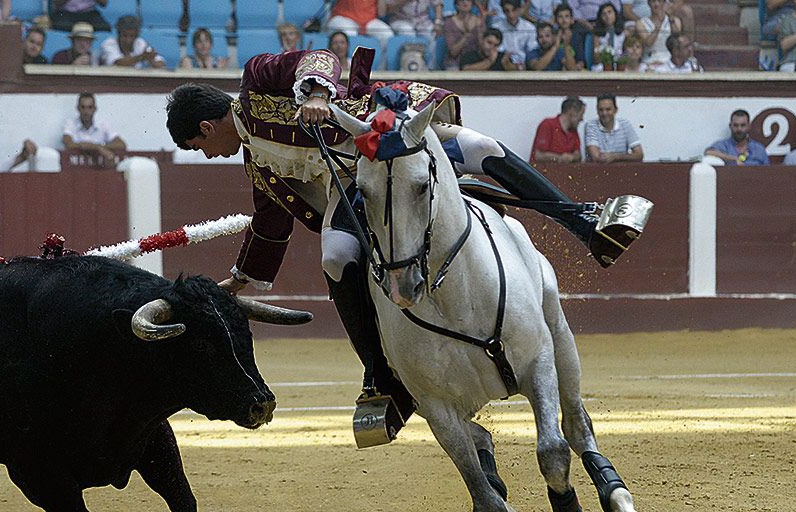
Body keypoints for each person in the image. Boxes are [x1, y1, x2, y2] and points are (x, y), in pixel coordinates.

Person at [165, 49, 647, 441]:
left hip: (388, 135)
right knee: (335, 256)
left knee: (478, 147)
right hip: (357, 189)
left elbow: (315, 57)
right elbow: (270, 224)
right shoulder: (258, 164)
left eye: (198, 147)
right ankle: (380, 376)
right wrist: (242, 279)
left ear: (205, 128)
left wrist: (313, 91)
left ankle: (582, 221)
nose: (207, 154)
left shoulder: (255, 81)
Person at [62, 92, 126, 166]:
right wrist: (97, 148)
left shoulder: (103, 125)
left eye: (89, 107)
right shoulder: (70, 124)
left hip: (100, 169)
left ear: (95, 109)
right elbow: (68, 144)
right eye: (83, 107)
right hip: (77, 170)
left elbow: (121, 144)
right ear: (78, 108)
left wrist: (100, 147)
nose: (86, 112)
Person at [584, 94, 643, 163]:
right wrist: (622, 156)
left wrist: (616, 156)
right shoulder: (591, 125)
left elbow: (639, 155)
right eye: (601, 110)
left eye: (608, 109)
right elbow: (596, 157)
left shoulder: (625, 124)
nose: (604, 113)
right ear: (597, 110)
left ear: (616, 110)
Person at [704, 109, 770, 166]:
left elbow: (768, 171)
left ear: (749, 126)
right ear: (730, 126)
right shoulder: (724, 145)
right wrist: (734, 159)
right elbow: (708, 152)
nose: (739, 129)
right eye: (736, 125)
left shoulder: (759, 149)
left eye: (743, 125)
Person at [98, 15, 167, 69]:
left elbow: (161, 63)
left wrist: (152, 61)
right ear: (118, 34)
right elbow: (118, 63)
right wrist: (142, 57)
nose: (128, 40)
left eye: (132, 36)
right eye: (125, 36)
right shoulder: (108, 44)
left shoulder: (140, 43)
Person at [530, 96, 584, 163]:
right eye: (581, 114)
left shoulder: (573, 131)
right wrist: (559, 158)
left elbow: (578, 154)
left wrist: (572, 157)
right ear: (572, 111)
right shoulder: (547, 124)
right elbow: (538, 155)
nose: (582, 119)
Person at [327, 0, 395, 48]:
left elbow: (381, 13)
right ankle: (349, 66)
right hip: (344, 17)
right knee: (350, 34)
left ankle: (382, 67)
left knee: (387, 34)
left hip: (368, 20)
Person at [441, 0, 487, 69]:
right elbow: (453, 52)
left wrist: (479, 31)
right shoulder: (449, 23)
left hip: (475, 61)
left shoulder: (479, 22)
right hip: (455, 63)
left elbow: (484, 50)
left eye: (468, 0)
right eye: (461, 0)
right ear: (456, 4)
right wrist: (466, 36)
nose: (465, 2)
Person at [636, 0, 680, 68]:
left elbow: (677, 38)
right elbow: (648, 43)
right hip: (649, 60)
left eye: (659, 1)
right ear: (648, 3)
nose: (656, 4)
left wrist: (670, 17)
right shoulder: (641, 23)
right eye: (653, 1)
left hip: (669, 59)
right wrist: (659, 23)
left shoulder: (675, 20)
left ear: (664, 3)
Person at [499, 0, 540, 68]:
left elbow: (532, 49)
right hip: (505, 65)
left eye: (514, 10)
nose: (511, 15)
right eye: (507, 11)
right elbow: (499, 51)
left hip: (526, 65)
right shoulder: (497, 28)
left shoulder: (530, 28)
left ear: (520, 9)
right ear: (503, 11)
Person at [589, 1, 626, 70]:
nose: (607, 16)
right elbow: (596, 58)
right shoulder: (598, 35)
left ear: (615, 13)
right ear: (601, 18)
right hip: (603, 64)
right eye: (604, 14)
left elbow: (626, 54)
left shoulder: (624, 33)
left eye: (609, 12)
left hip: (620, 64)